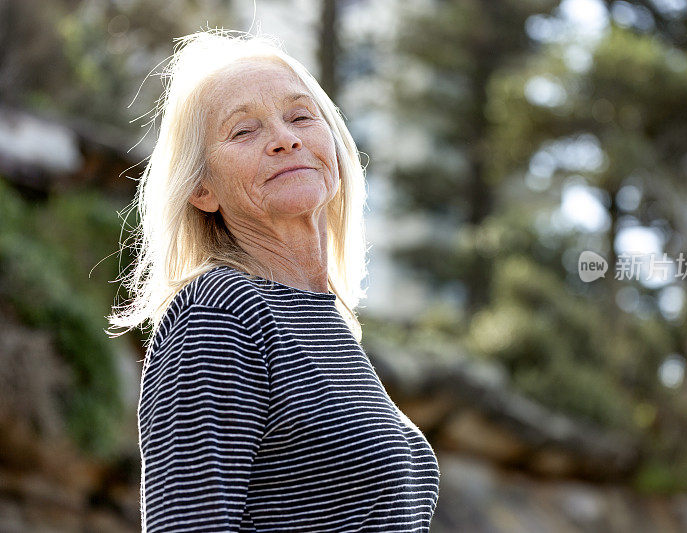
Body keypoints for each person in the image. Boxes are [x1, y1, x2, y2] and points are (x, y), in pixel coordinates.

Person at [107, 29, 440, 532]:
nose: (287, 138)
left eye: (301, 115)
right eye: (244, 131)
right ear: (201, 189)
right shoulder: (219, 309)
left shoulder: (326, 322)